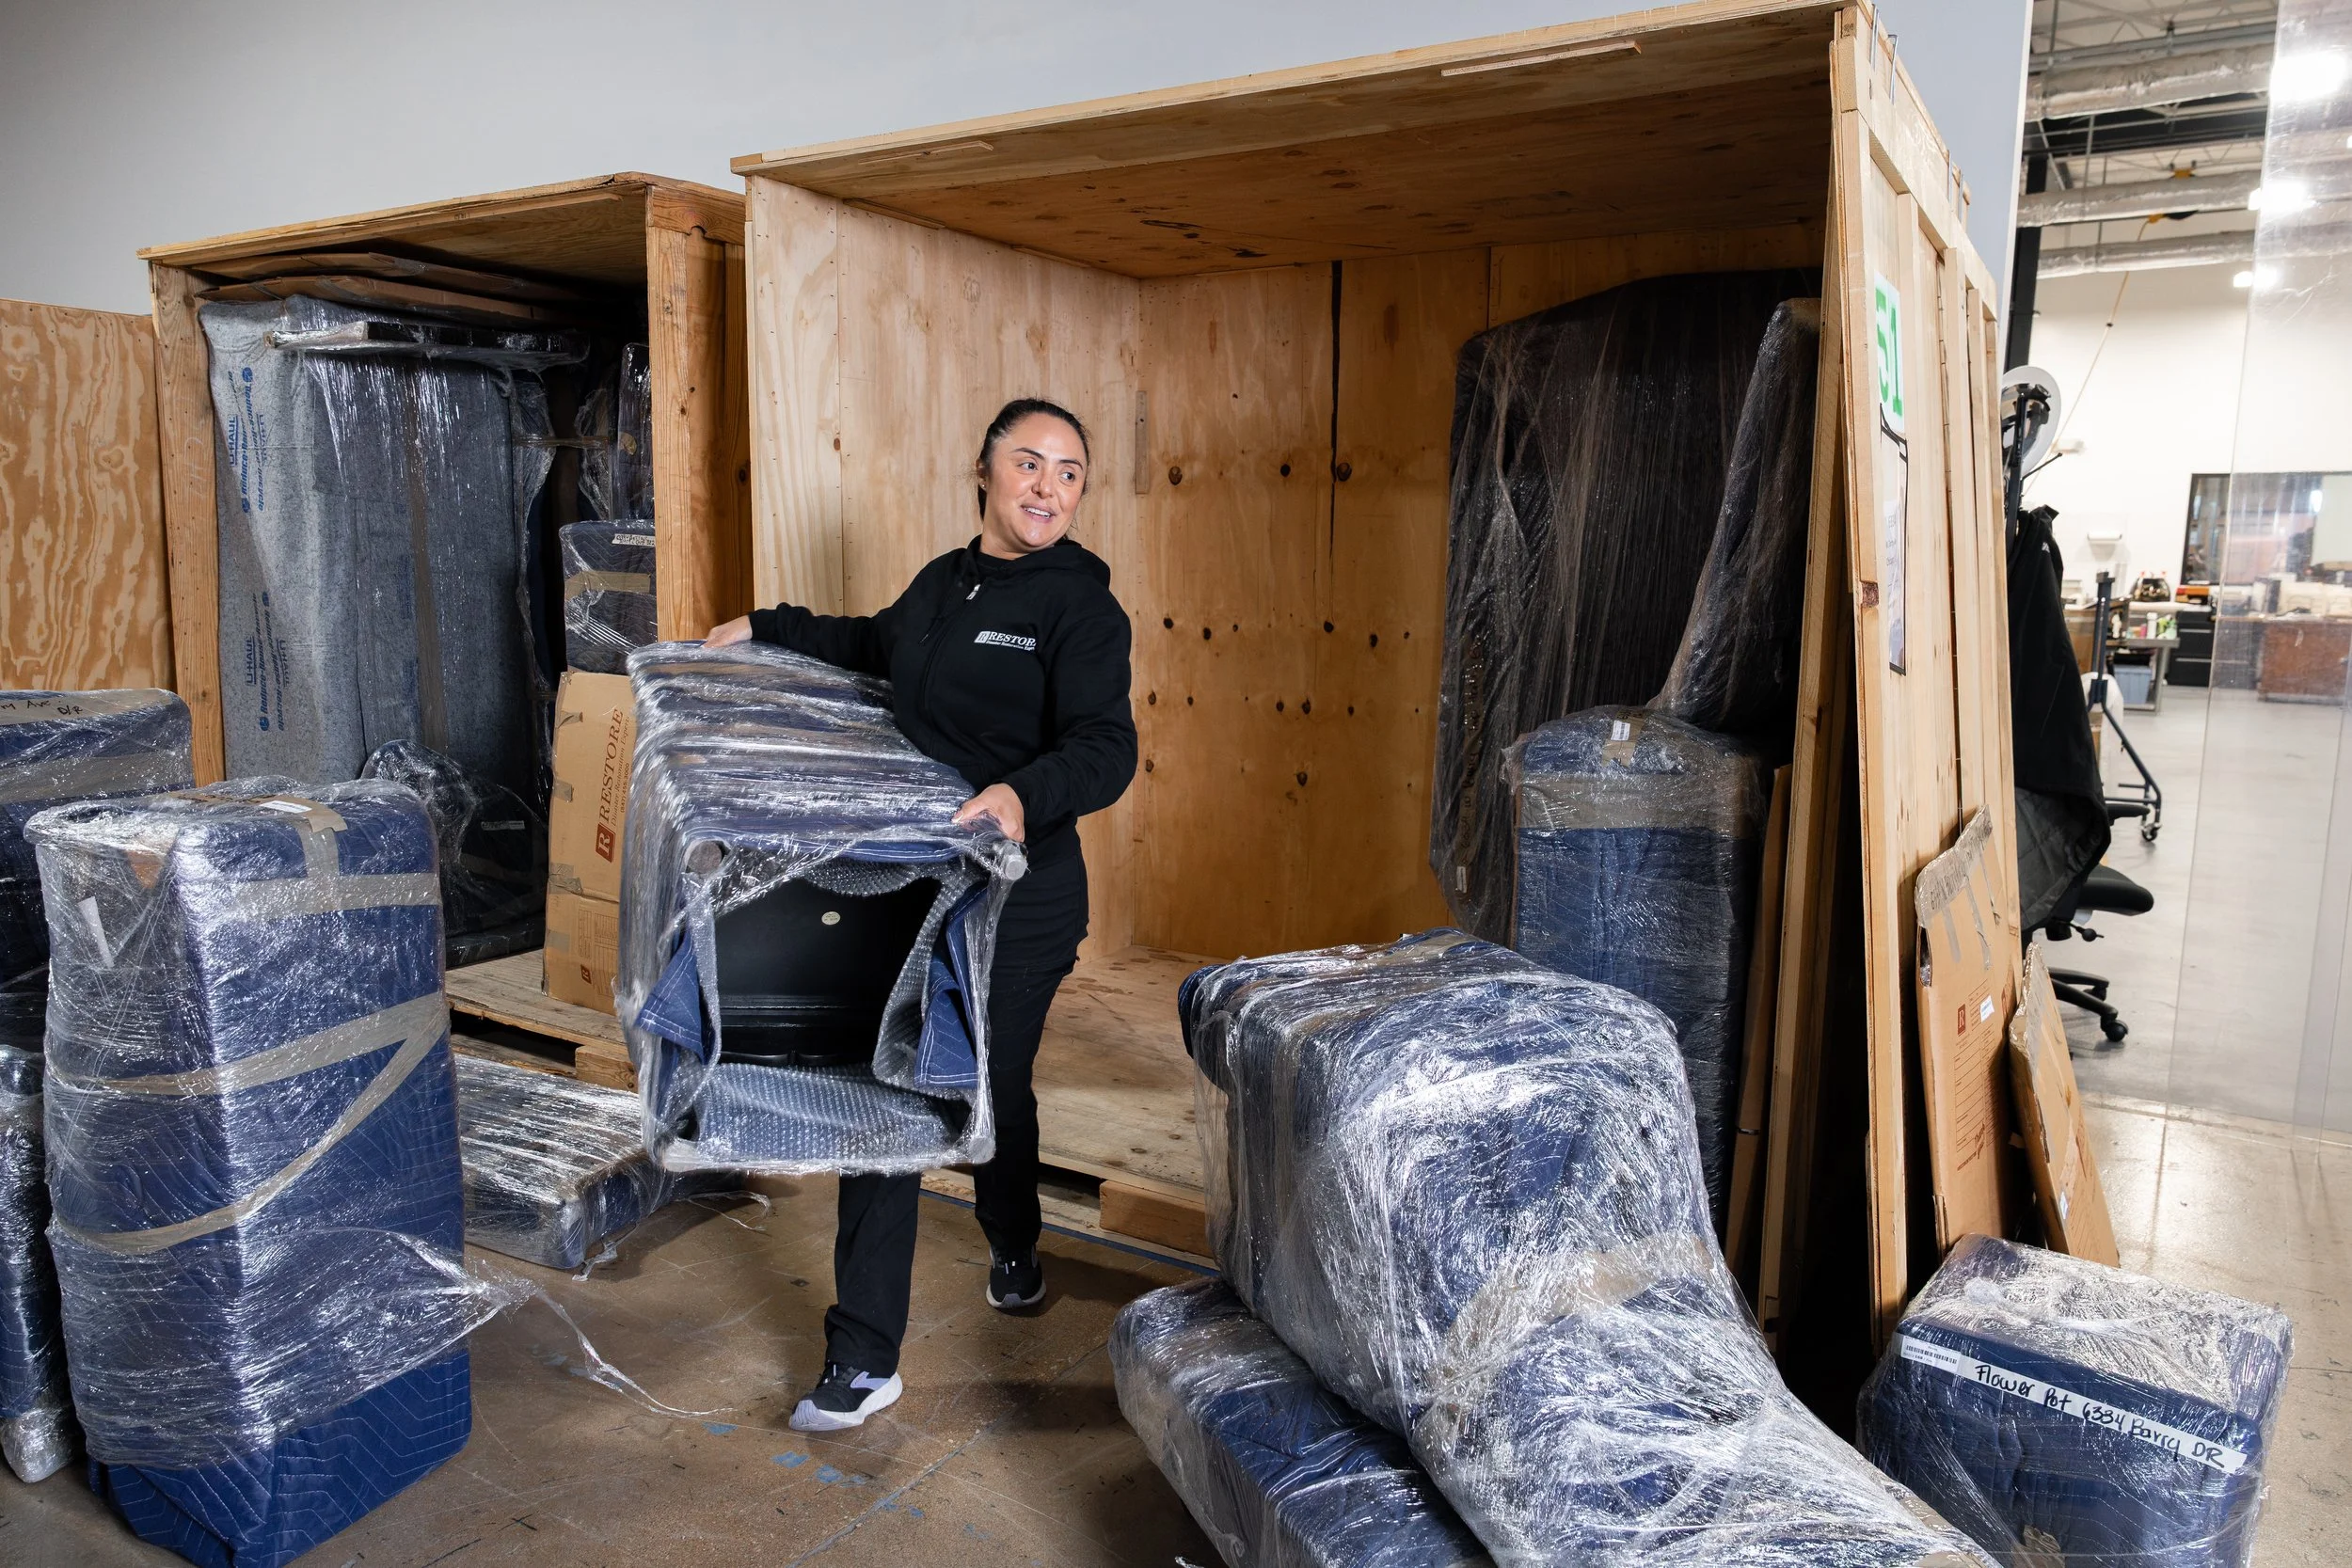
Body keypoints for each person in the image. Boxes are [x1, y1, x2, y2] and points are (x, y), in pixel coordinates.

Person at [704, 398, 1136, 1433]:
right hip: (917, 876)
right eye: (1028, 463)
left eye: (1069, 472)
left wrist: (1022, 795)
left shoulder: (1080, 609)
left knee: (993, 1090)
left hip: (1018, 896)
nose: (1048, 486)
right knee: (887, 1083)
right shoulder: (947, 584)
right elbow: (872, 643)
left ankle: (1014, 1240)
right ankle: (863, 1355)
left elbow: (1106, 744)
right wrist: (766, 627)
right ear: (982, 470)